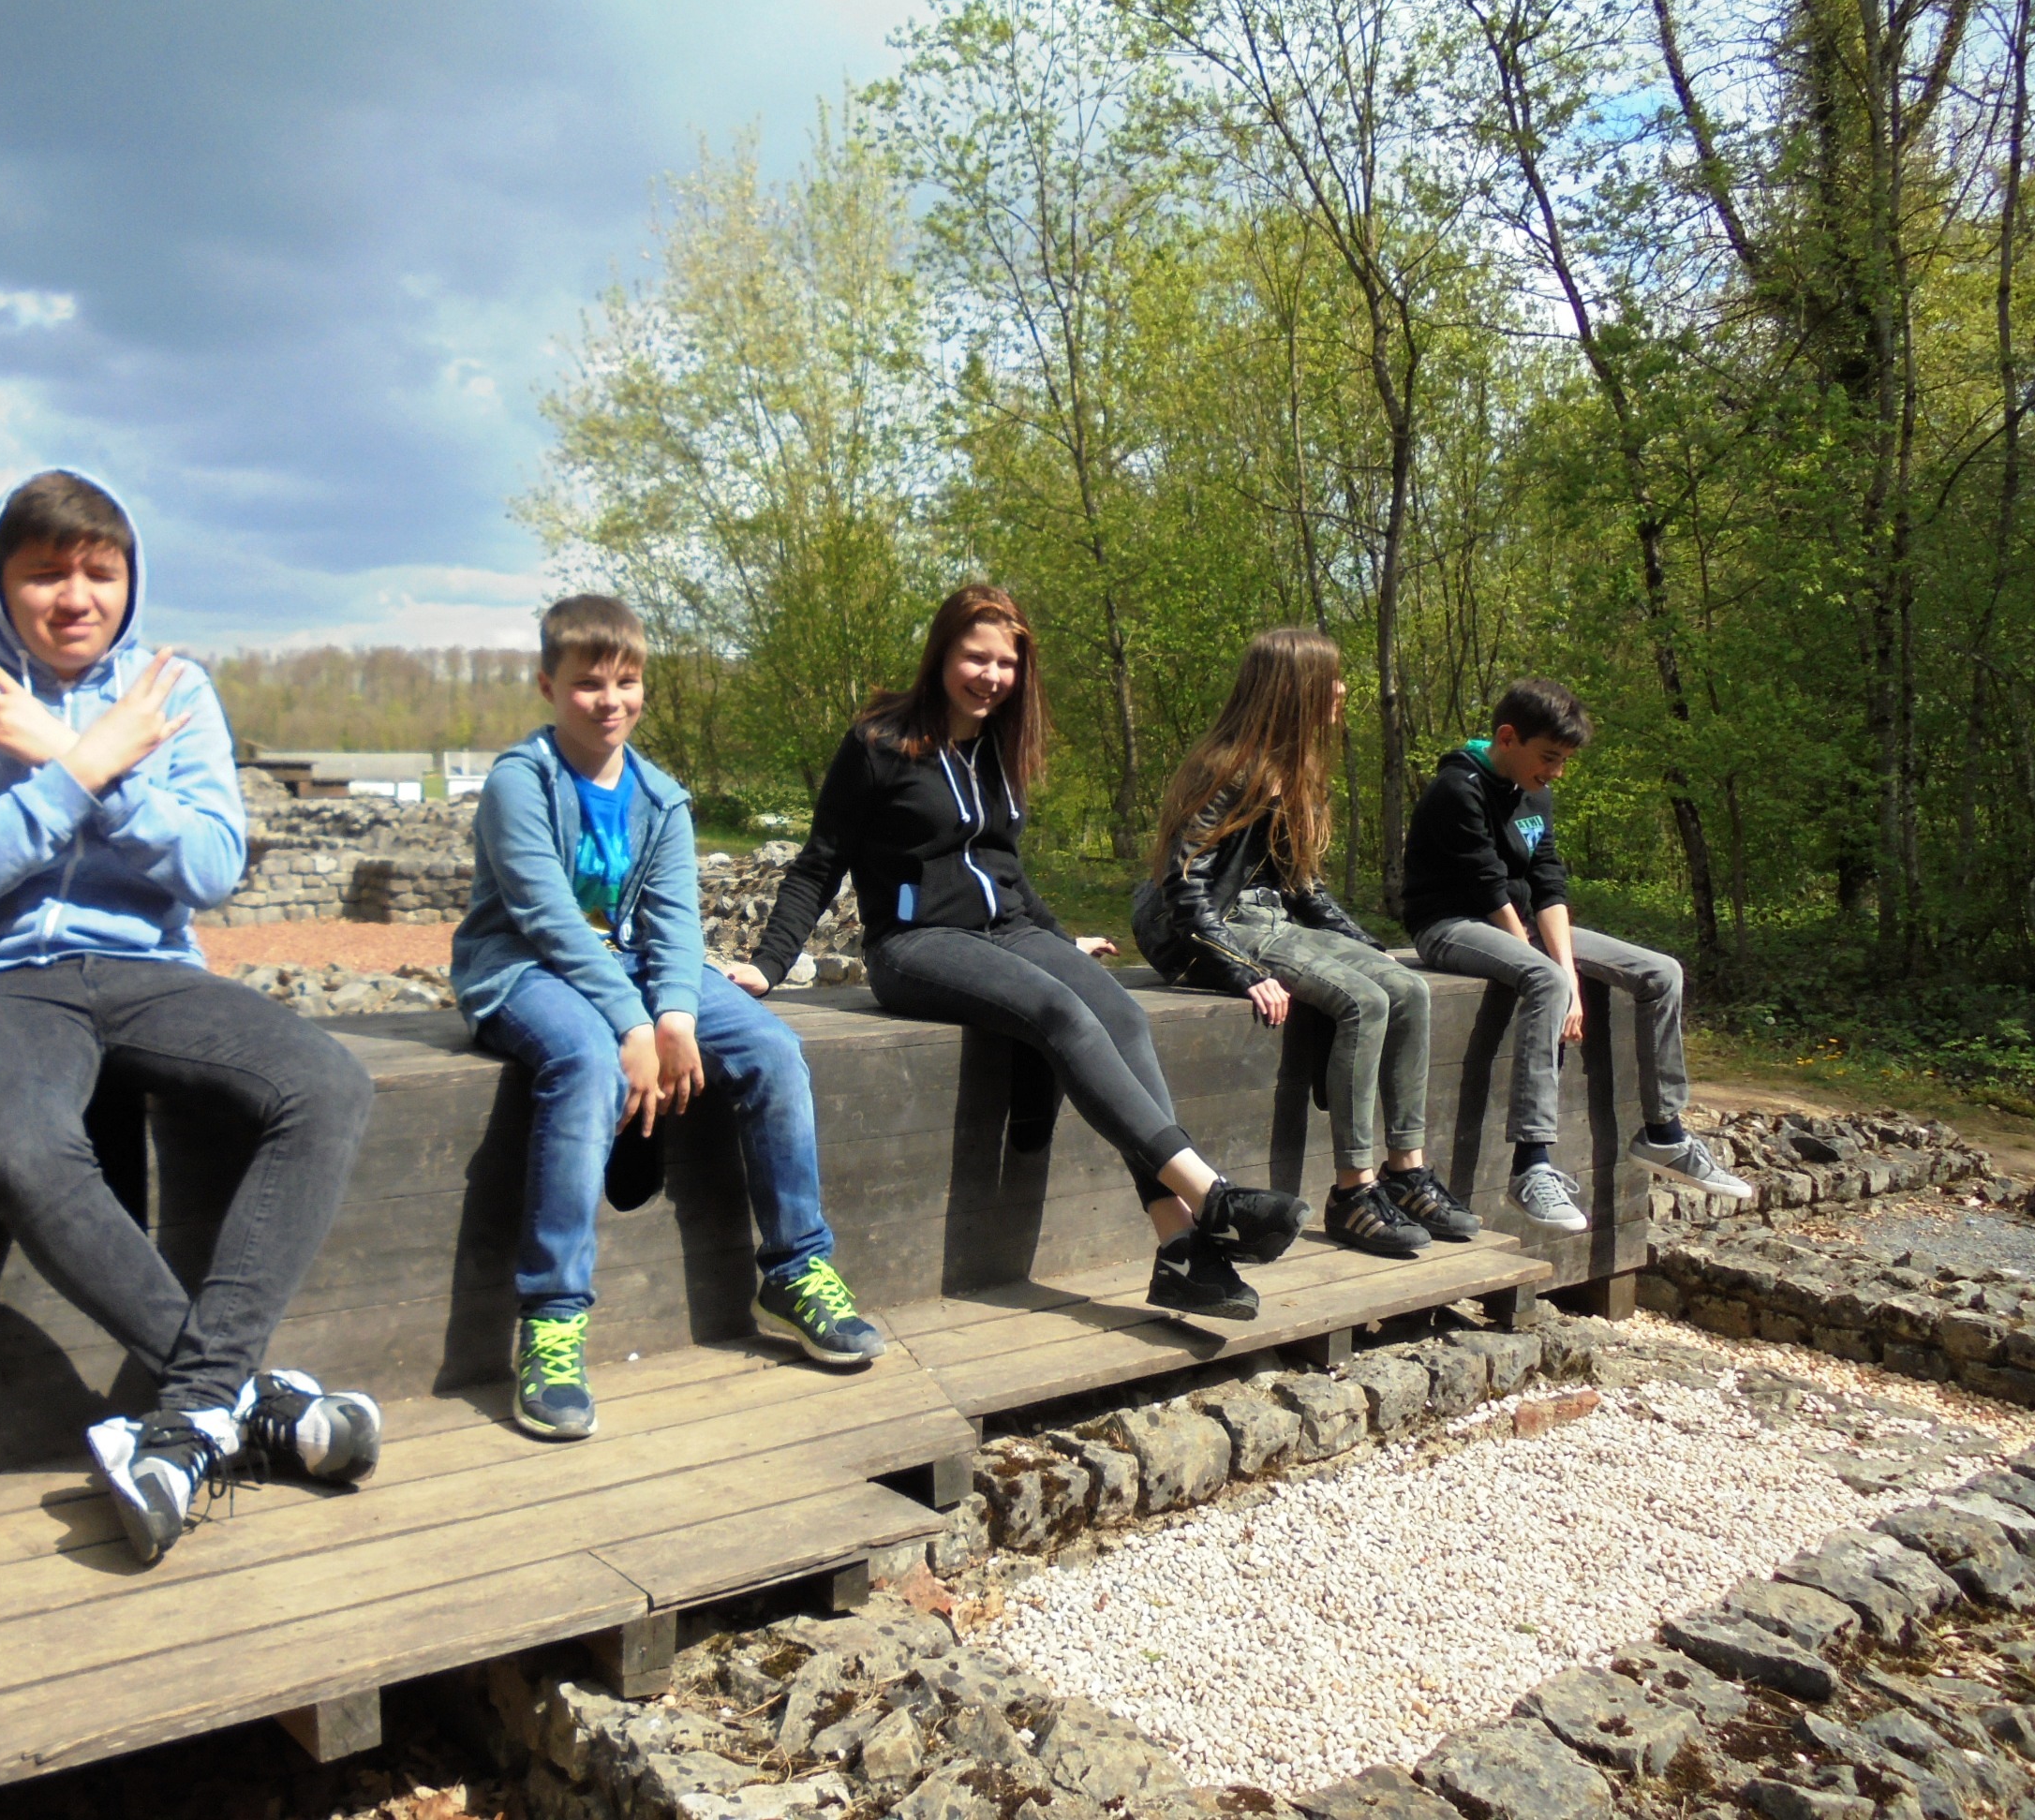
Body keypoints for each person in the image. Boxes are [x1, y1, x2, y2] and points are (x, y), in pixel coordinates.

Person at [0, 469, 382, 1567]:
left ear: (129, 579)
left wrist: (94, 769)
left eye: (98, 572)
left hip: (147, 966)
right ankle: (243, 1400)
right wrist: (76, 770)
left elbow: (211, 867)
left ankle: (192, 1410)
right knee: (24, 1149)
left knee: (327, 1083)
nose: (76, 597)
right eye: (45, 573)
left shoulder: (172, 690)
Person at [733, 584, 1308, 1322]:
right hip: (916, 944)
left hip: (1008, 931)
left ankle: (1180, 1251)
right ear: (941, 653)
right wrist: (769, 964)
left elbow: (1002, 865)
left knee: (1122, 1015)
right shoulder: (879, 742)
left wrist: (1060, 939)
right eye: (976, 658)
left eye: (1006, 663)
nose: (991, 676)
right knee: (1059, 1011)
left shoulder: (998, 745)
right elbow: (820, 861)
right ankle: (1213, 1198)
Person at [452, 594, 883, 1443]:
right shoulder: (520, 783)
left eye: (626, 681)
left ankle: (795, 1268)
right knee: (585, 1060)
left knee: (771, 1048)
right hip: (522, 967)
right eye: (588, 684)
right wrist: (634, 1025)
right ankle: (552, 1318)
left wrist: (676, 1016)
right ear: (547, 686)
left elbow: (675, 925)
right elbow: (546, 920)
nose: (609, 701)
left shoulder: (660, 797)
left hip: (631, 969)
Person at [1132, 628, 1479, 1259]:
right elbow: (1184, 886)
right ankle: (1353, 1191)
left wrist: (1367, 946)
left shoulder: (1294, 771)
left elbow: (1305, 888)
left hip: (1274, 920)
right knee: (1364, 1002)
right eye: (1330, 680)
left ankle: (1406, 1171)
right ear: (1294, 691)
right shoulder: (1225, 768)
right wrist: (1239, 970)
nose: (1342, 690)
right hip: (1221, 927)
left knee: (1407, 988)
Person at [1399, 676, 1751, 1230]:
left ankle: (1663, 1134)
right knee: (1546, 981)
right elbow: (1488, 890)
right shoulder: (1456, 789)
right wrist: (1555, 978)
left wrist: (1569, 973)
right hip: (1450, 924)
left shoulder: (1535, 793)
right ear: (1508, 738)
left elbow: (1548, 884)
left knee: (1662, 972)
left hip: (1519, 925)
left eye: (1564, 761)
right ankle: (1531, 1165)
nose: (1557, 772)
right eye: (1549, 757)